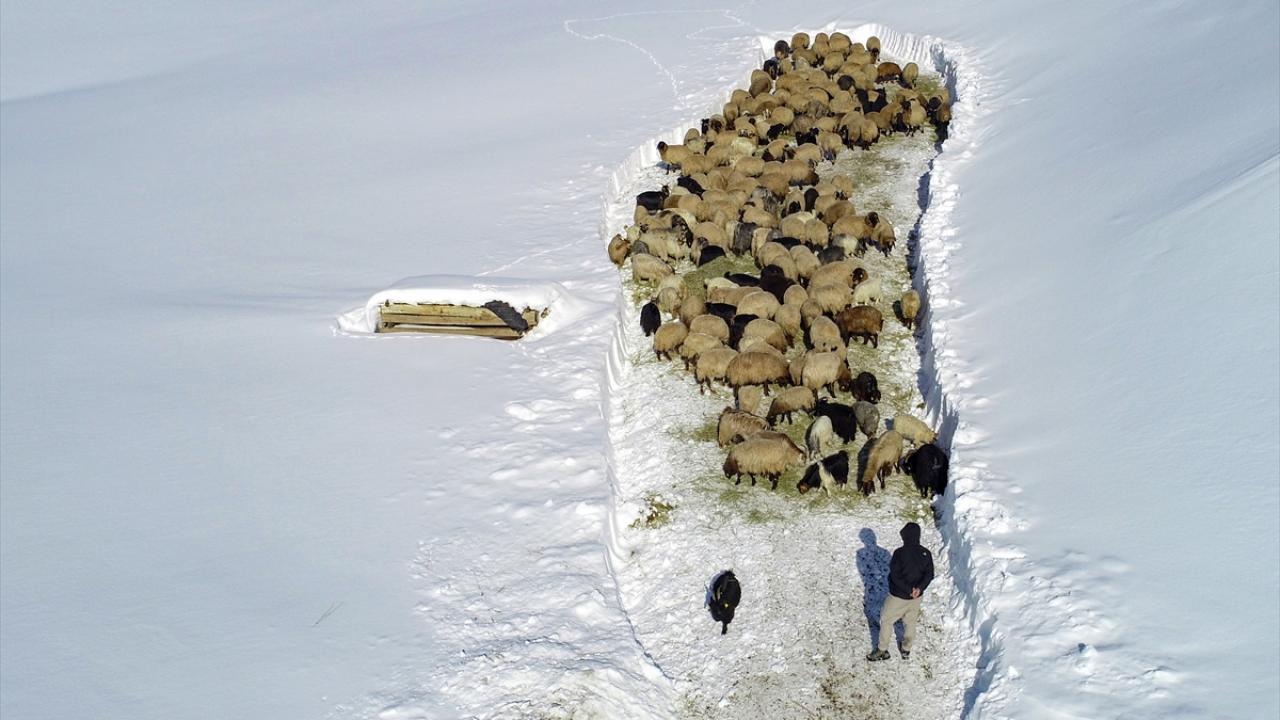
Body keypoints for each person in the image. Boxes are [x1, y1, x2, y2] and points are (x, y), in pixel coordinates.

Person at [867, 521, 934, 661]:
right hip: (917, 597)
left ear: (905, 536)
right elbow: (929, 575)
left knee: (886, 619)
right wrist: (919, 589)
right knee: (910, 622)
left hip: (898, 596)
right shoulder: (926, 553)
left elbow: (895, 576)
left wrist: (909, 590)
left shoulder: (899, 553)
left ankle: (882, 650)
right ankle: (906, 649)